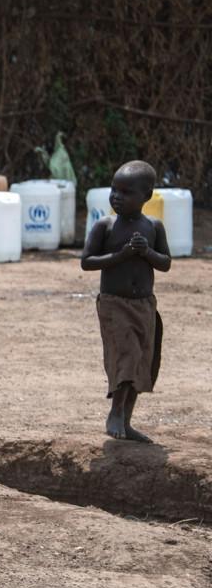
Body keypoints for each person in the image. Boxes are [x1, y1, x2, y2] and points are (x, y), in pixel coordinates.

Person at [80, 160, 171, 443]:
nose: (117, 196)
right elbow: (87, 262)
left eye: (126, 192)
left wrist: (146, 253)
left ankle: (126, 420)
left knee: (143, 363)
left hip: (144, 305)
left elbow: (166, 263)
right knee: (127, 356)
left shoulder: (153, 227)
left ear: (146, 196)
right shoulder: (105, 227)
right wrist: (119, 256)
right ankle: (115, 412)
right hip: (114, 304)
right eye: (113, 190)